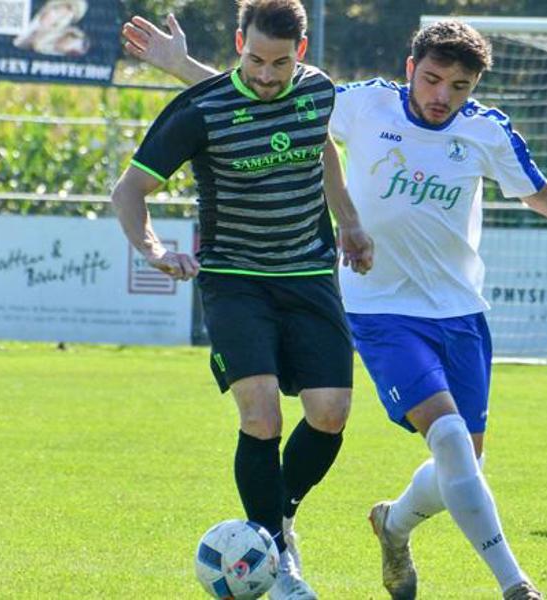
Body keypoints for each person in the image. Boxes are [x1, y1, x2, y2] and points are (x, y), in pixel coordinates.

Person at [124, 15, 547, 599]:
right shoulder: (366, 106)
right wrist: (181, 66)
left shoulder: (486, 130)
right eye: (433, 80)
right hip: (380, 309)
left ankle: (393, 524)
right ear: (410, 69)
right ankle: (515, 585)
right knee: (442, 438)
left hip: (461, 312)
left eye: (459, 87)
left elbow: (542, 194)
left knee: (462, 466)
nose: (443, 96)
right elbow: (270, 93)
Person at [111, 1, 373, 599]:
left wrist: (351, 222)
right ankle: (278, 564)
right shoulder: (199, 111)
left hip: (308, 274)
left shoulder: (318, 94)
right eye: (255, 58)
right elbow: (130, 190)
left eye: (279, 62)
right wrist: (154, 249)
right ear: (238, 43)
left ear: (299, 54)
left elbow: (322, 151)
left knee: (329, 414)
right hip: (234, 280)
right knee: (261, 417)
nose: (265, 73)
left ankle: (276, 518)